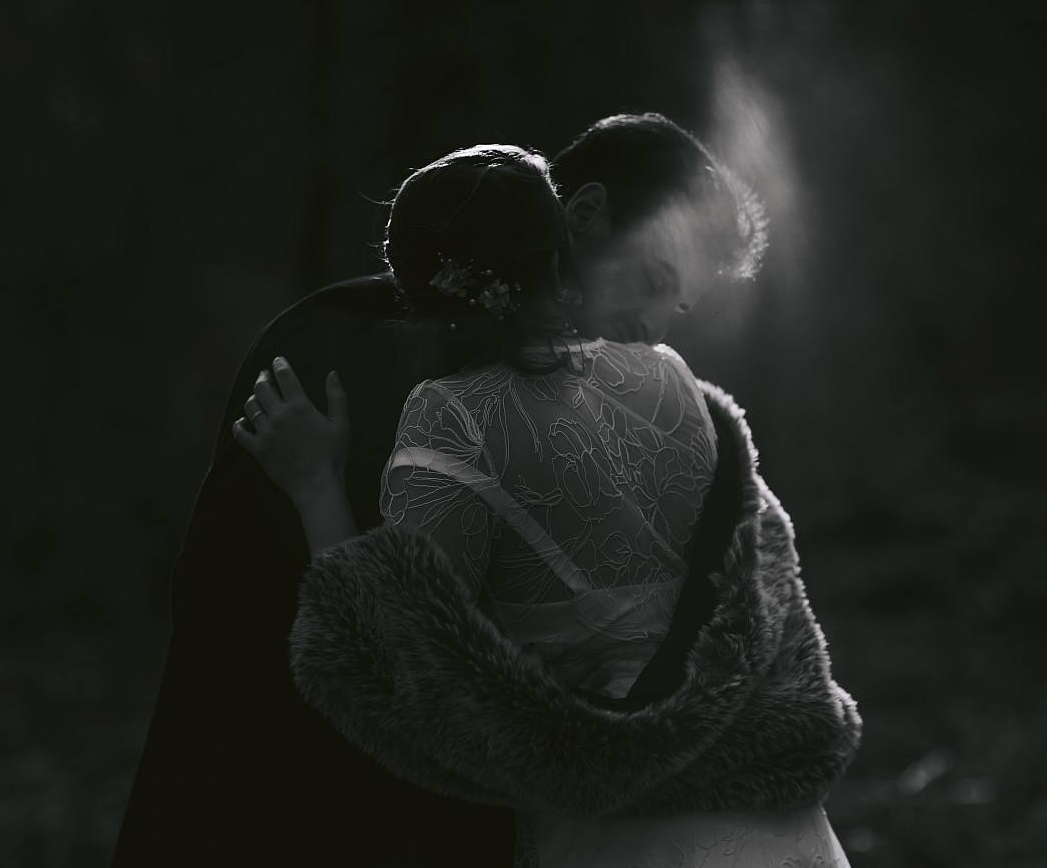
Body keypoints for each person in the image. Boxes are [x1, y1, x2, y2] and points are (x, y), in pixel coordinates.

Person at [111, 114, 777, 867]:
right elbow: (253, 602)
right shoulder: (356, 352)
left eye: (678, 307)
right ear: (585, 213)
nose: (654, 328)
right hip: (311, 780)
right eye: (654, 281)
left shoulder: (622, 400)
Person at [237, 143, 860, 866]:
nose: (658, 321)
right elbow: (739, 584)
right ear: (563, 241)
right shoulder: (673, 379)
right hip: (777, 826)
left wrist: (314, 484)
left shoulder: (453, 415)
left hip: (624, 837)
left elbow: (397, 667)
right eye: (656, 284)